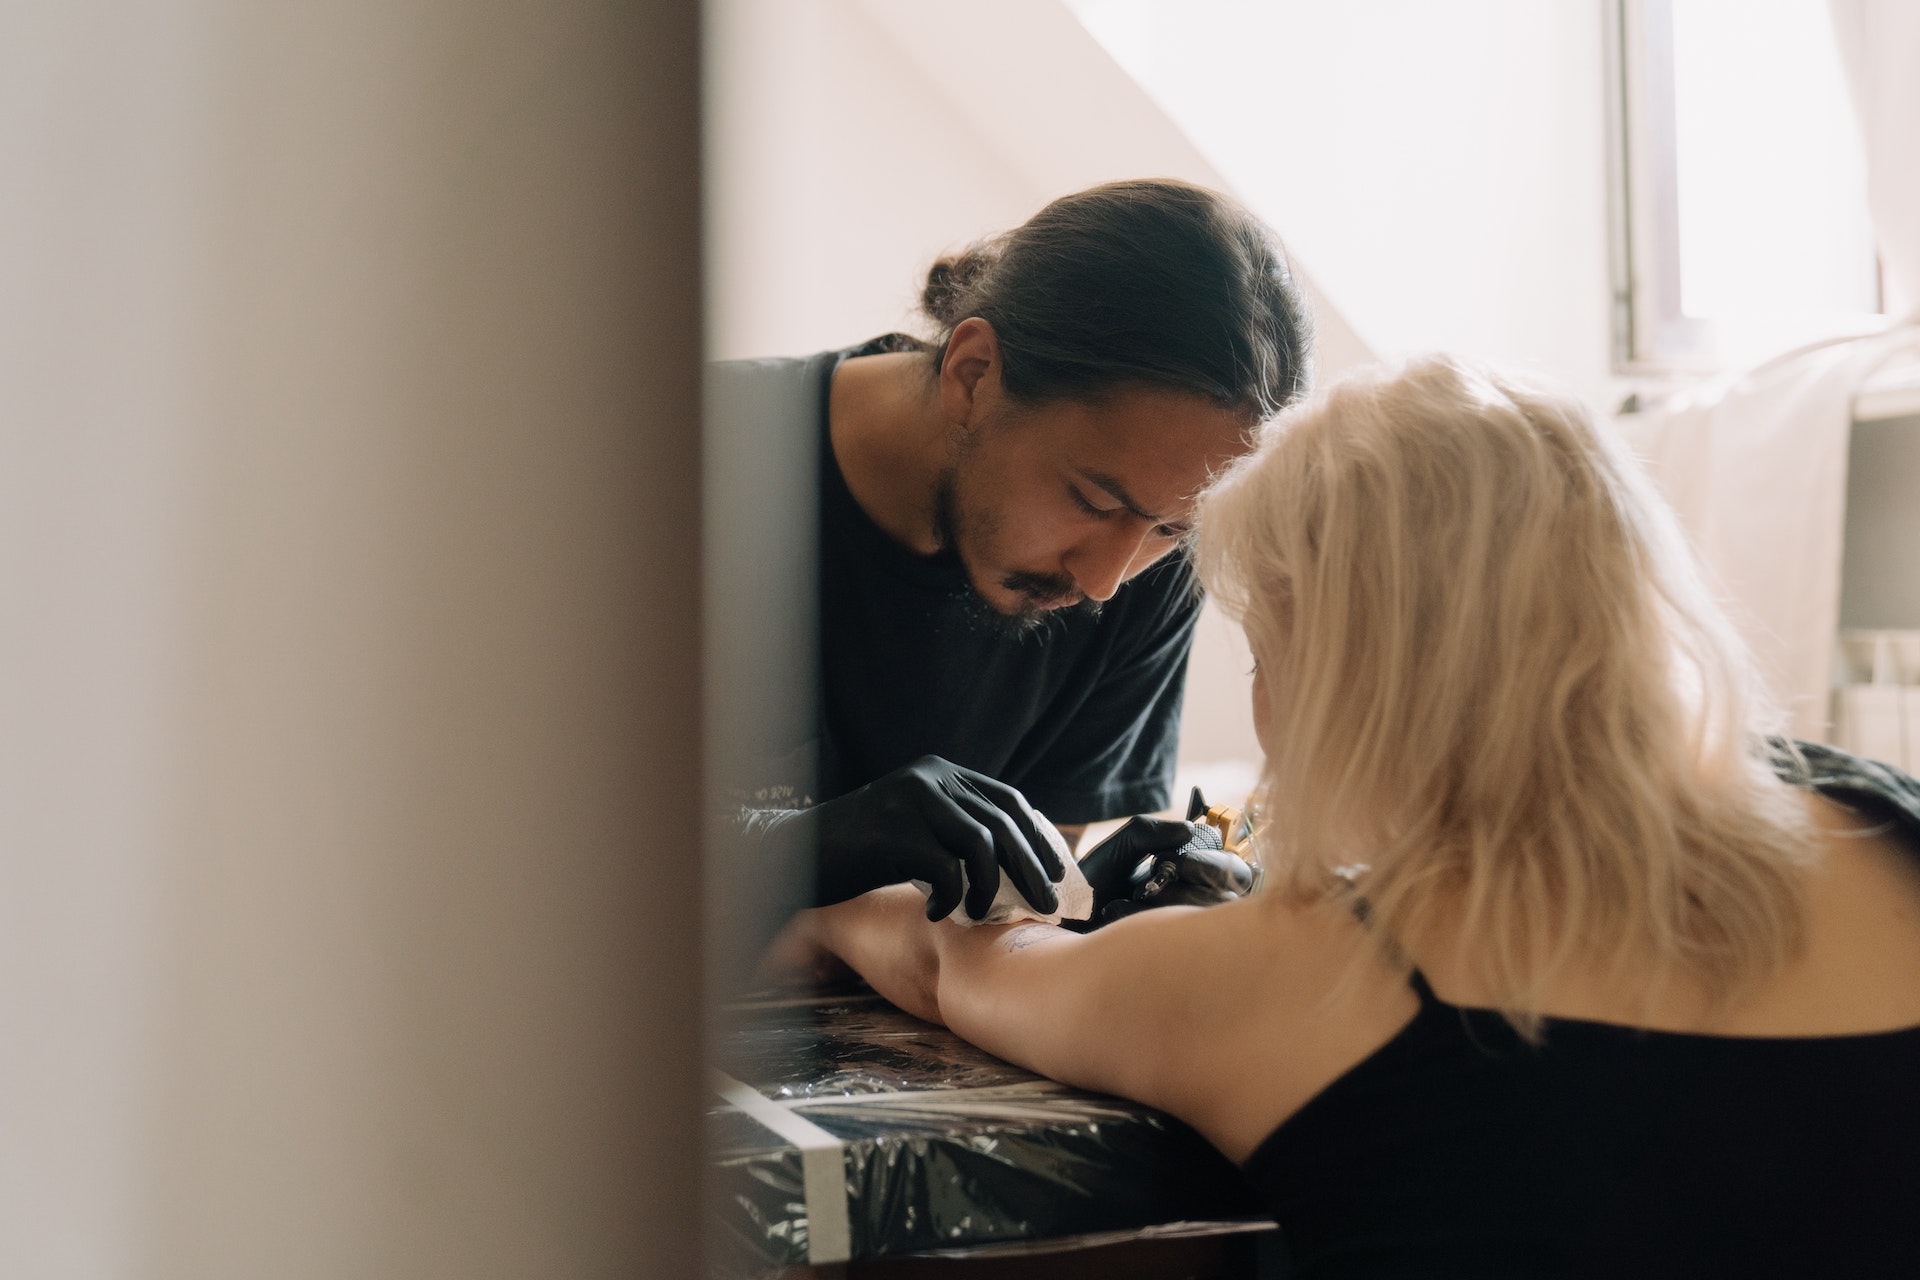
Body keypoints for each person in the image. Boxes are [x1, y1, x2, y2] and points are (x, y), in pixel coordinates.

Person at [785, 356, 1920, 1276]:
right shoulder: (1882, 820)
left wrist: (833, 898)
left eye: (1267, 658)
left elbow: (961, 966)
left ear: (1344, 672)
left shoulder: (1303, 972)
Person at [712, 180, 1311, 953]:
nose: (1105, 581)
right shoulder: (676, 469)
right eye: (1093, 500)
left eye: (1169, 528)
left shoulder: (1146, 569)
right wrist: (795, 849)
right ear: (972, 372)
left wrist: (1087, 915)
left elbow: (993, 929)